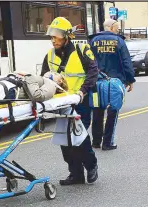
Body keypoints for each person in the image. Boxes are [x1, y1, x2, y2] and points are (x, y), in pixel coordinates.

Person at [41, 17, 98, 185]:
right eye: (51, 36)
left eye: (57, 36)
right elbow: (44, 79)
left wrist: (82, 91)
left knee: (79, 138)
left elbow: (93, 72)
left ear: (67, 36)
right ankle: (76, 174)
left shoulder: (82, 49)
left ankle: (91, 164)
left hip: (81, 102)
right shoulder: (49, 55)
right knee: (65, 142)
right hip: (61, 104)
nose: (53, 40)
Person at [88, 19, 135, 150]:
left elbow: (87, 61)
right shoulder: (119, 41)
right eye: (117, 27)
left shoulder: (92, 41)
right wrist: (130, 80)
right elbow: (126, 61)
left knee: (97, 110)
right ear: (111, 27)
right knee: (113, 110)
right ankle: (107, 142)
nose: (118, 30)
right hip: (114, 82)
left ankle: (96, 141)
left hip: (96, 82)